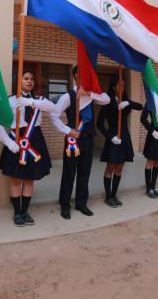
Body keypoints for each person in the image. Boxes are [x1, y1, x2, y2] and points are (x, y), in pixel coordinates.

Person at [0, 71, 55, 227]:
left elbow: (52, 107)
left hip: (35, 140)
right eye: (26, 78)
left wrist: (30, 103)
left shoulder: (39, 100)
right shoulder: (10, 100)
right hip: (17, 140)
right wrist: (7, 141)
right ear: (19, 81)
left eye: (32, 79)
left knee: (29, 178)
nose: (29, 81)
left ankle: (25, 211)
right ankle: (17, 212)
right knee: (15, 179)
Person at [50, 66, 110, 219]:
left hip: (88, 139)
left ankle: (81, 203)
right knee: (69, 173)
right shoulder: (68, 96)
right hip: (73, 140)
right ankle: (65, 205)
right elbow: (54, 116)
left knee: (85, 173)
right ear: (76, 76)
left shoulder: (91, 95)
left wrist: (88, 93)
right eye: (83, 74)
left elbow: (106, 99)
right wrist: (67, 130)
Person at [97, 75, 143, 207]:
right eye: (120, 85)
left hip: (124, 137)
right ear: (113, 86)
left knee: (120, 168)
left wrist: (128, 103)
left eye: (124, 85)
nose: (122, 87)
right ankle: (108, 196)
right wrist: (109, 136)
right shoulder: (108, 101)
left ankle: (114, 195)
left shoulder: (125, 101)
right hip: (113, 137)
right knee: (110, 167)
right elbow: (99, 123)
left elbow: (140, 106)